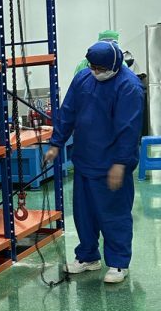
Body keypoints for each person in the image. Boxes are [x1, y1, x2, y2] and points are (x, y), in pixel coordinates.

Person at [45, 40, 144, 284]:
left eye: (101, 68)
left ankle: (118, 263)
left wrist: (121, 163)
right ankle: (88, 256)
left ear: (114, 65)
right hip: (85, 160)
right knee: (84, 214)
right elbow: (68, 111)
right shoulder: (83, 79)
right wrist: (56, 143)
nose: (96, 72)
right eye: (92, 67)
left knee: (114, 215)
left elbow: (129, 129)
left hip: (112, 165)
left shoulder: (129, 86)